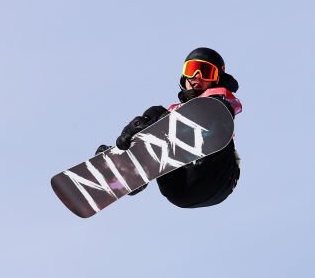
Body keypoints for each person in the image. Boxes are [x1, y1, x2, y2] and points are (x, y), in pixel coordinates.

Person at [97, 47, 242, 209]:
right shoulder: (173, 113)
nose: (197, 77)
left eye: (205, 72)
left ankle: (182, 149)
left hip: (215, 178)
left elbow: (221, 114)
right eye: (192, 70)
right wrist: (135, 138)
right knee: (155, 115)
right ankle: (128, 171)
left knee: (196, 113)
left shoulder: (220, 102)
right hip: (179, 189)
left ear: (217, 78)